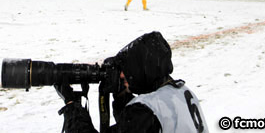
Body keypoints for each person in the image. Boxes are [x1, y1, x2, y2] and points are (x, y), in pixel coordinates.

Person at [55, 31, 208, 133]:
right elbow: (138, 125)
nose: (123, 75)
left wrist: (72, 106)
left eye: (128, 69)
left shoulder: (146, 111)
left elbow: (139, 119)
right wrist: (121, 95)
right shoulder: (182, 92)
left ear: (142, 68)